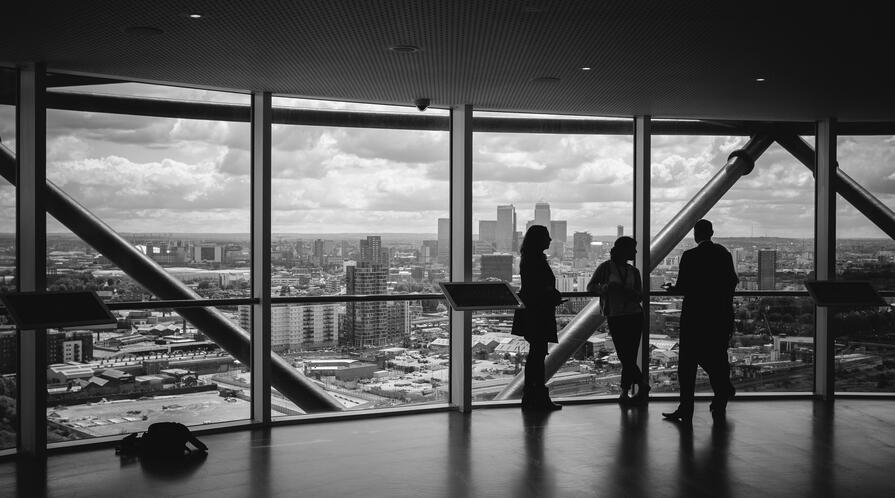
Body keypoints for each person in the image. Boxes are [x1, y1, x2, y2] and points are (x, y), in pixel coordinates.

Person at [662, 219, 739, 423]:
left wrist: (671, 289)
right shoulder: (723, 254)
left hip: (695, 317)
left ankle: (686, 408)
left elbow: (683, 287)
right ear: (712, 232)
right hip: (719, 316)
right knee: (717, 356)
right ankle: (721, 395)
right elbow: (732, 282)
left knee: (687, 364)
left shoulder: (690, 256)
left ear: (695, 235)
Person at [587, 236, 649, 405]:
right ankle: (640, 385)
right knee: (625, 355)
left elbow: (639, 296)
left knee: (627, 355)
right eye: (632, 249)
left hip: (632, 315)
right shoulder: (605, 268)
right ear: (624, 250)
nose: (635, 252)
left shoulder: (633, 271)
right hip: (618, 315)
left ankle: (625, 392)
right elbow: (591, 287)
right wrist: (606, 288)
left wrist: (625, 291)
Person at [511, 225, 564, 411]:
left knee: (536, 355)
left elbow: (532, 286)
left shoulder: (528, 259)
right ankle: (537, 396)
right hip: (539, 312)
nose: (550, 240)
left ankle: (531, 396)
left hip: (533, 311)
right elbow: (539, 286)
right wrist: (552, 295)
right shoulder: (536, 260)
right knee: (537, 356)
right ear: (539, 240)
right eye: (547, 237)